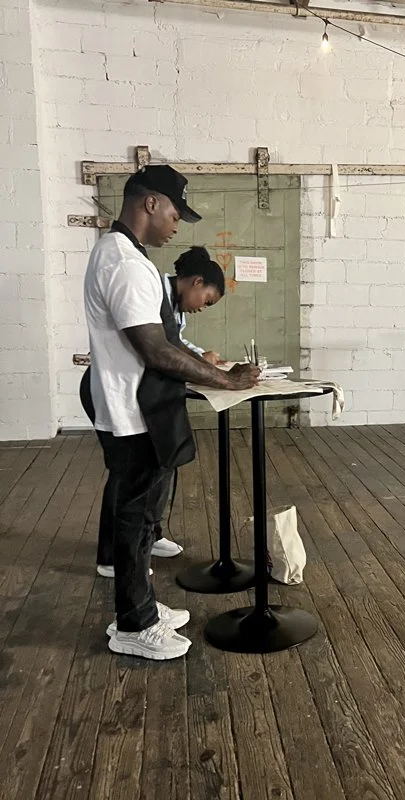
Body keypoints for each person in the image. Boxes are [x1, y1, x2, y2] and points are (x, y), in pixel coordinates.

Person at [82, 164, 259, 660]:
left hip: (143, 410)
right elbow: (155, 350)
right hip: (130, 410)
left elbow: (165, 344)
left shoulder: (128, 257)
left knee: (142, 520)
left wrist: (212, 368)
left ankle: (144, 607)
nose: (177, 225)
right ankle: (134, 624)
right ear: (151, 203)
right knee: (136, 519)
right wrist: (226, 380)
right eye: (176, 213)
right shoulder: (123, 263)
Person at [94, 246, 227, 572]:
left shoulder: (172, 303)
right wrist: (219, 377)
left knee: (160, 465)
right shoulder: (148, 288)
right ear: (196, 282)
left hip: (144, 392)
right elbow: (163, 349)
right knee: (125, 475)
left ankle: (148, 536)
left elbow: (175, 342)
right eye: (207, 300)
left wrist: (203, 362)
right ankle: (112, 558)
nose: (203, 308)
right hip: (116, 389)